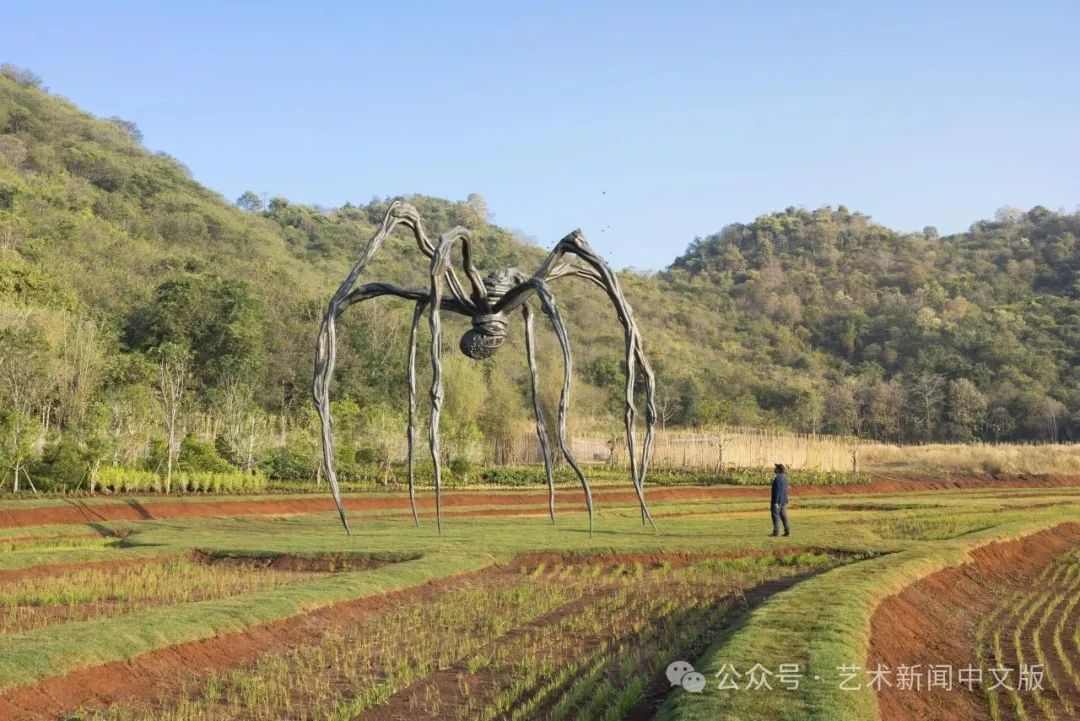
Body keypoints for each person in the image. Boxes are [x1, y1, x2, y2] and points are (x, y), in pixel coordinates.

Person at [770, 463, 790, 537]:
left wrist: (776, 502)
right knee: (784, 516)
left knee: (775, 515)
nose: (774, 469)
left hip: (777, 501)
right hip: (784, 501)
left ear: (778, 469)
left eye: (776, 468)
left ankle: (776, 532)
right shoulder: (785, 478)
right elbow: (786, 490)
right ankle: (787, 530)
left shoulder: (777, 478)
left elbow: (777, 491)